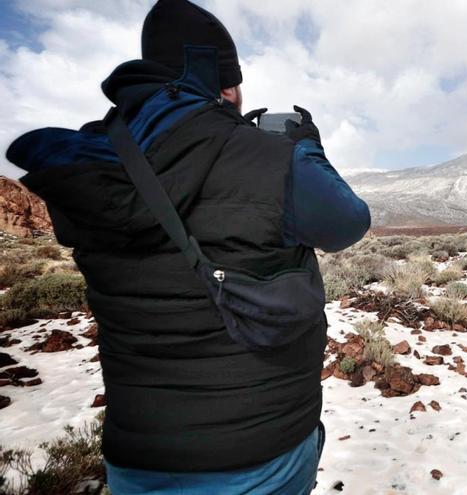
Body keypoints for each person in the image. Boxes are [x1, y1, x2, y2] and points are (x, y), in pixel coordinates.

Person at [6, 0, 370, 493]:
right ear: (224, 82)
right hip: (260, 448)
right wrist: (305, 148)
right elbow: (347, 223)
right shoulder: (269, 159)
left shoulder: (90, 163)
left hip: (138, 455)